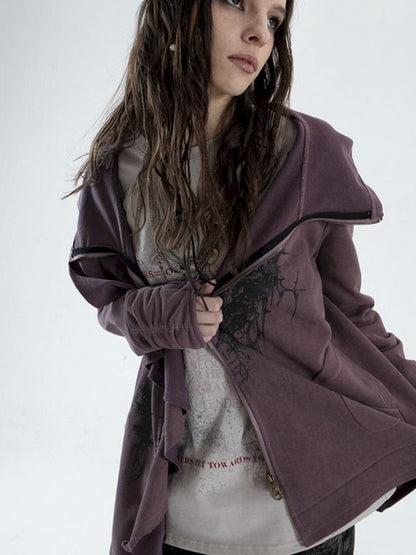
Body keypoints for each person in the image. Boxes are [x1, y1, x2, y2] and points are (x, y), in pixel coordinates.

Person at [67, 1, 416, 554]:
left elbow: (350, 312)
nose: (259, 33)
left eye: (274, 19)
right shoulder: (117, 171)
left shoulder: (303, 153)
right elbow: (110, 300)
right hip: (184, 504)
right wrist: (161, 313)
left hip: (306, 504)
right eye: (236, 1)